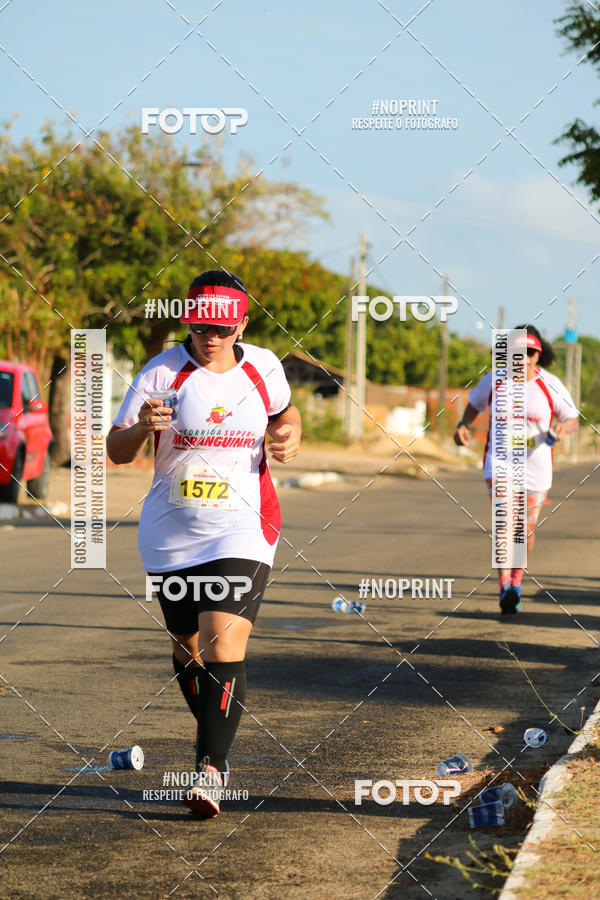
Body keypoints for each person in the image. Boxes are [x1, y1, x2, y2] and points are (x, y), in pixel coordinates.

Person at [106, 270, 301, 817]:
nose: (209, 336)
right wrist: (142, 426)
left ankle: (210, 768)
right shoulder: (162, 372)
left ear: (240, 323)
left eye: (220, 327)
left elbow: (287, 418)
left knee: (223, 646)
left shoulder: (264, 367)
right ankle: (217, 732)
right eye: (199, 326)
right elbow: (117, 452)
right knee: (187, 648)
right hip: (171, 534)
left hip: (243, 526)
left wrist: (289, 437)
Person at [453, 324, 578, 615]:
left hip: (536, 467)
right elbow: (473, 406)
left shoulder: (551, 384)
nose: (523, 358)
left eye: (530, 352)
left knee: (524, 528)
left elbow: (571, 418)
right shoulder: (494, 381)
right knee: (504, 522)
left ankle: (517, 583)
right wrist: (463, 425)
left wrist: (562, 428)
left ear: (538, 355)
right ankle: (504, 586)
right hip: (499, 463)